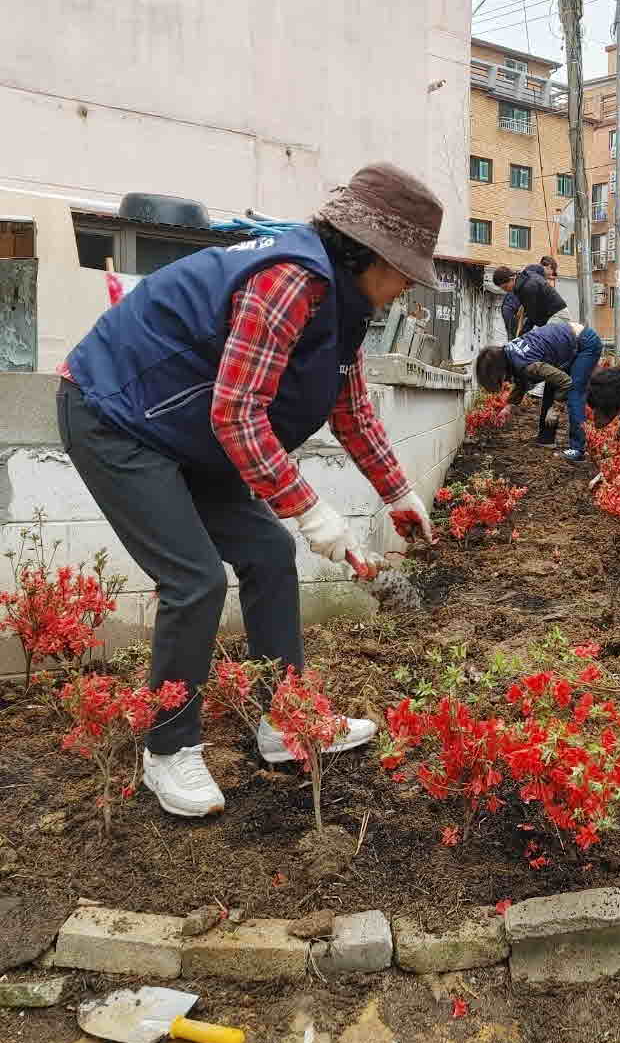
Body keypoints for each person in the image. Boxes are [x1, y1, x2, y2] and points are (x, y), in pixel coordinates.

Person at [57, 162, 440, 819]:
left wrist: (397, 492)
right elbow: (237, 413)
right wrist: (313, 513)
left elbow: (347, 406)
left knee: (265, 553)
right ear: (370, 253)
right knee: (195, 580)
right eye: (406, 268)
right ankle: (168, 750)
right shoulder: (290, 279)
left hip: (182, 430)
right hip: (115, 416)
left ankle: (285, 724)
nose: (408, 284)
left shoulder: (341, 303)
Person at [475, 320, 602, 461]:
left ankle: (577, 450)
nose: (503, 381)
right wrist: (509, 406)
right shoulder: (509, 353)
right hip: (568, 344)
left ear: (498, 370)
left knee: (574, 393)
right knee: (551, 385)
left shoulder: (528, 366)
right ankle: (546, 439)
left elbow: (566, 382)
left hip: (585, 343)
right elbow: (521, 380)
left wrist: (556, 407)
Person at [493, 257, 571, 444]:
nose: (507, 291)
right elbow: (538, 269)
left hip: (557, 318)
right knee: (532, 359)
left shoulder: (526, 288)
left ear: (510, 280)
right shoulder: (526, 277)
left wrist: (522, 337)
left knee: (544, 362)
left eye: (505, 288)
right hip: (554, 317)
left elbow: (534, 317)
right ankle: (545, 429)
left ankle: (549, 431)